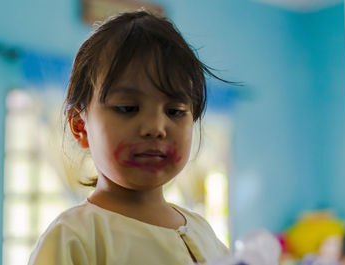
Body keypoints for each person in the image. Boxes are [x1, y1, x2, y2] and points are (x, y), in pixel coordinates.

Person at [28, 10, 229, 265]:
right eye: (127, 108)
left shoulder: (203, 231)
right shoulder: (74, 236)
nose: (155, 127)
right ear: (80, 126)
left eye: (175, 111)